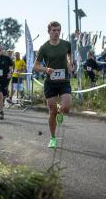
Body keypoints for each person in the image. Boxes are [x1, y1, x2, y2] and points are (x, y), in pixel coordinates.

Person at [33, 21, 73, 149]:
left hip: (64, 81)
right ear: (49, 32)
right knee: (52, 111)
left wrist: (70, 63)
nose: (56, 33)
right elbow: (35, 66)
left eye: (58, 30)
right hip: (50, 83)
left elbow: (70, 55)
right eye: (53, 30)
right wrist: (46, 69)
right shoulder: (44, 48)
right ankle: (53, 138)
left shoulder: (66, 44)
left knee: (66, 108)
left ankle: (61, 112)